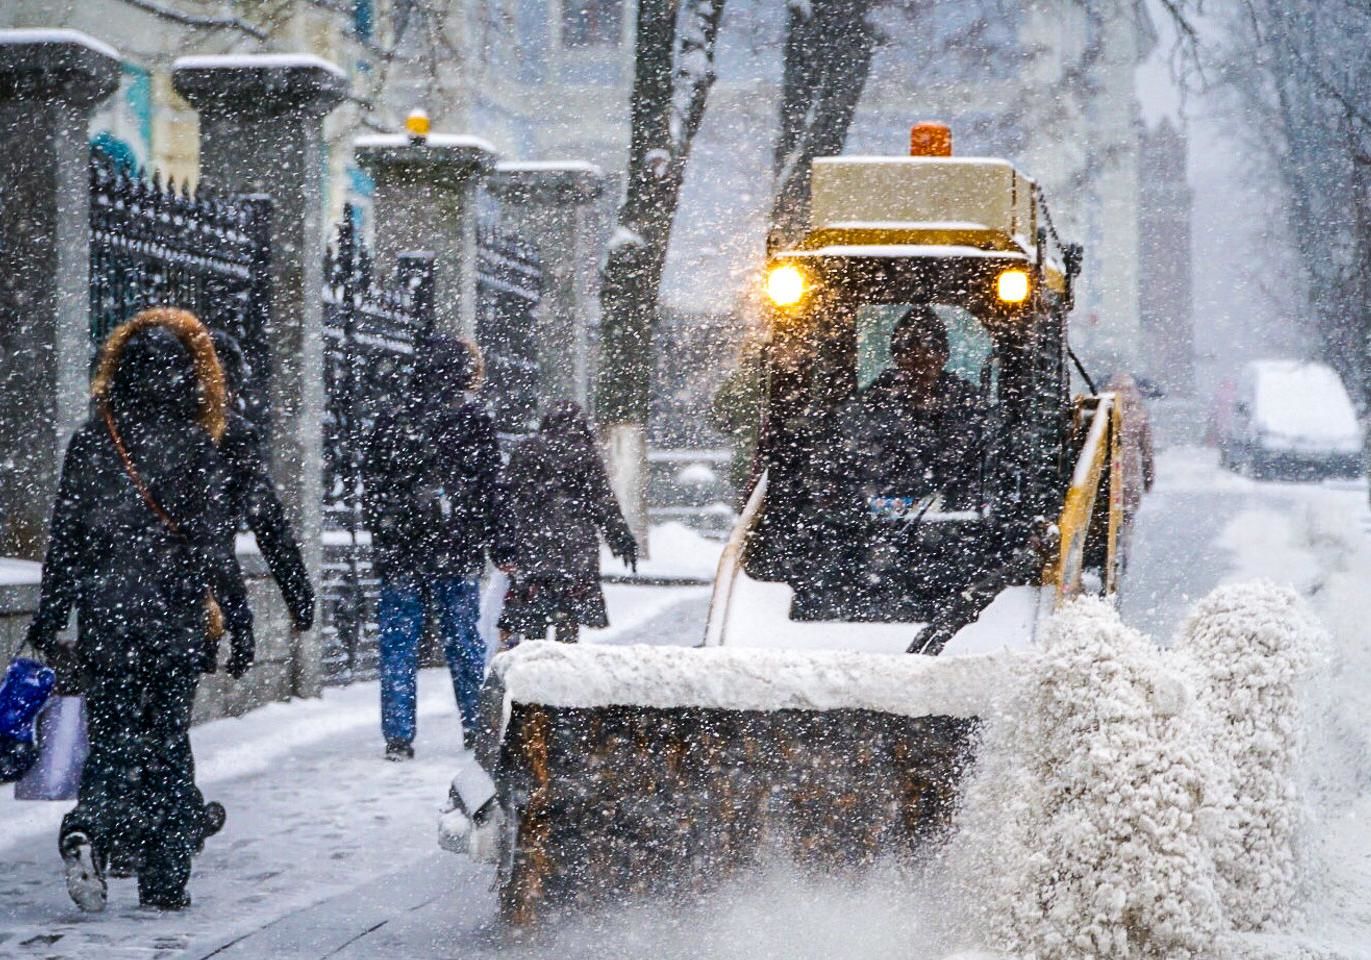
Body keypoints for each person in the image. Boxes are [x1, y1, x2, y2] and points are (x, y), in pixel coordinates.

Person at [25, 308, 254, 913]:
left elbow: (65, 537)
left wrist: (52, 615)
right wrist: (240, 619)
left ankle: (89, 828)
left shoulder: (93, 439)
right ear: (186, 377)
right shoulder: (194, 444)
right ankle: (164, 876)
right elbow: (214, 547)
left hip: (108, 615)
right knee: (167, 740)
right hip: (174, 616)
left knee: (114, 740)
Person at [362, 338, 500, 759]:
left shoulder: (391, 420)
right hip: (454, 549)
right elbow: (490, 489)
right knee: (463, 641)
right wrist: (499, 540)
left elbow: (372, 488)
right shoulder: (473, 420)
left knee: (398, 643)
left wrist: (387, 534)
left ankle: (399, 736)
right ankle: (477, 727)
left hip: (401, 552)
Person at [493, 402, 637, 646]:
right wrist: (621, 539)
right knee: (568, 621)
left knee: (532, 623)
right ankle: (563, 670)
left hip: (532, 550)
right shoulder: (585, 454)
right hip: (575, 553)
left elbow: (505, 500)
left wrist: (502, 543)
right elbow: (603, 504)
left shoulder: (526, 450)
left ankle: (533, 669)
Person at [209, 331, 314, 635]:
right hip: (193, 595)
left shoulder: (123, 430)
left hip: (117, 595)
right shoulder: (231, 436)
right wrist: (298, 593)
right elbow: (267, 520)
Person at [854, 304, 984, 506]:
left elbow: (983, 469)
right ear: (896, 358)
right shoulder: (872, 405)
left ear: (944, 357)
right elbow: (856, 471)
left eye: (929, 357)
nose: (920, 367)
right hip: (881, 521)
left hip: (962, 521)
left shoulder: (968, 404)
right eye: (911, 357)